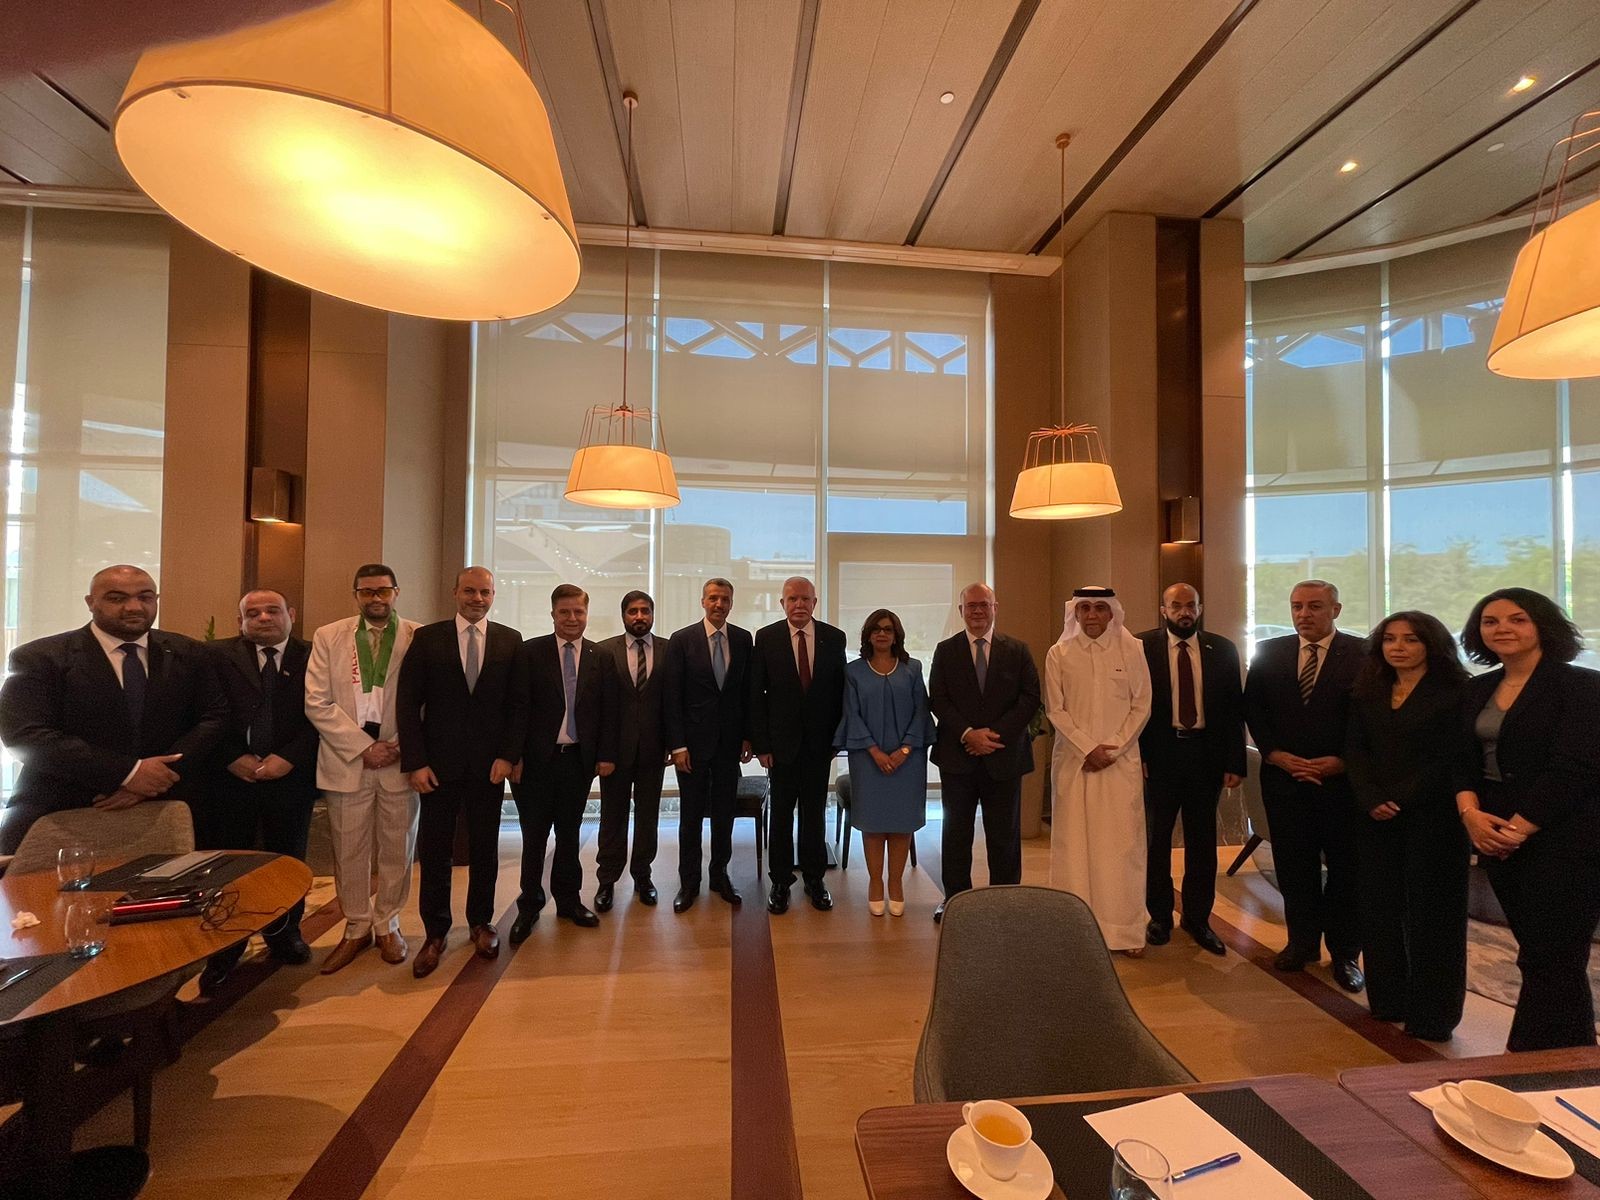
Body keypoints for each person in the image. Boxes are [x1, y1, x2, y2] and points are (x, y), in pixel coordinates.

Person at [1454, 588, 1600, 1051]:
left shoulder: (1582, 686)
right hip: (1493, 831)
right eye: (1491, 621)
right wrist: (1471, 816)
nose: (1503, 629)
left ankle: (1537, 1057)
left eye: (1517, 619)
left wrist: (1519, 828)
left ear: (1542, 626)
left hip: (1566, 836)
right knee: (1537, 953)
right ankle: (1560, 1059)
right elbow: (1460, 762)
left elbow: (1577, 767)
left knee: (1557, 955)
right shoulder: (1477, 688)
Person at [0, 565, 228, 853]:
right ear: (90, 602)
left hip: (169, 804)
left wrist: (156, 778)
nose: (134, 607)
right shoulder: (40, 658)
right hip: (64, 806)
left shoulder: (191, 652)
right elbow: (25, 735)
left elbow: (214, 718)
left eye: (145, 597)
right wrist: (128, 773)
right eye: (117, 598)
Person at [1345, 610, 1470, 1042]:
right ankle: (1388, 1000)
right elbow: (1355, 749)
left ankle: (1433, 1016)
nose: (1398, 647)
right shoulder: (1368, 688)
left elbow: (1453, 757)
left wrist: (1401, 796)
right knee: (1379, 909)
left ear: (1431, 645)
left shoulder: (1457, 692)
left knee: (1434, 918)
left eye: (1411, 639)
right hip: (1375, 816)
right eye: (1390, 639)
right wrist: (1371, 796)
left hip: (1434, 818)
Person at [397, 567, 526, 978]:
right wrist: (415, 761)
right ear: (455, 592)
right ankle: (435, 933)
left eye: (485, 592)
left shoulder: (510, 640)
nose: (477, 599)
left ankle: (480, 922)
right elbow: (407, 704)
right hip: (437, 767)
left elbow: (517, 707)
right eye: (470, 591)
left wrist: (508, 756)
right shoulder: (427, 638)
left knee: (486, 848)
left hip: (489, 768)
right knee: (435, 851)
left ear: (493, 595)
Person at [1243, 579, 1366, 992]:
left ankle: (1345, 954)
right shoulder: (1270, 652)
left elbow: (1370, 719)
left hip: (1342, 785)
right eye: (1297, 606)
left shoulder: (1364, 654)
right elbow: (1254, 710)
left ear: (1336, 610)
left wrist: (1343, 761)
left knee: (1347, 871)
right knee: (1295, 868)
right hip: (1286, 782)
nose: (1303, 614)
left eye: (1314, 606)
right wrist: (1275, 754)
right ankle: (1302, 944)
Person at [199, 588, 320, 992]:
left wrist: (289, 757)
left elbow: (323, 715)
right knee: (230, 867)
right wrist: (232, 757)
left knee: (288, 861)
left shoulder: (314, 655)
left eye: (273, 610)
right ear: (240, 621)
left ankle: (284, 936)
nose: (264, 618)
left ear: (291, 614)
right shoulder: (214, 656)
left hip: (291, 778)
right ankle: (224, 949)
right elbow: (203, 713)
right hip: (231, 779)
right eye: (253, 613)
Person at [305, 564, 419, 974]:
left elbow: (426, 701)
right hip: (347, 760)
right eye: (367, 591)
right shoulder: (329, 636)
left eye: (383, 591)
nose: (375, 598)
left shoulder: (417, 636)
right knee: (348, 849)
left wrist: (398, 745)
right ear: (356, 594)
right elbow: (316, 701)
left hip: (398, 760)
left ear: (396, 592)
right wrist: (363, 747)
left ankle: (388, 923)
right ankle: (355, 926)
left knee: (397, 848)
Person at [1137, 583, 1245, 956]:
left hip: (1206, 757)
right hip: (1159, 757)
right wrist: (1139, 755)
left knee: (1202, 842)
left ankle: (1198, 919)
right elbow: (1133, 704)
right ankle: (1159, 917)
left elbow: (1234, 709)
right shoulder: (1141, 647)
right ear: (1163, 610)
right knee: (1156, 840)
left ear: (1199, 608)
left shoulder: (1223, 649)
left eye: (1190, 605)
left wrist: (1235, 761)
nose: (1184, 612)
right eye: (1176, 606)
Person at [1046, 586, 1152, 954]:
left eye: (1099, 608)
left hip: (1119, 766)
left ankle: (1125, 932)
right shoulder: (1059, 653)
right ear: (1075, 613)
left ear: (1111, 613)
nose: (1092, 615)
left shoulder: (1132, 649)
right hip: (1074, 765)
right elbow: (1055, 709)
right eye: (1085, 608)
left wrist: (1113, 748)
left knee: (1121, 848)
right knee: (1073, 848)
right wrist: (1087, 748)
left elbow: (1142, 706)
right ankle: (1073, 933)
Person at [927, 582, 1041, 923]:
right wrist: (968, 733)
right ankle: (955, 900)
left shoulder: (1017, 650)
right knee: (956, 834)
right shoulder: (946, 650)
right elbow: (938, 699)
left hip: (1004, 756)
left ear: (995, 608)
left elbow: (1030, 698)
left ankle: (1004, 902)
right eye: (971, 606)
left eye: (984, 605)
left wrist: (992, 736)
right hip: (957, 757)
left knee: (1005, 835)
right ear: (961, 610)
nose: (977, 611)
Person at [509, 584, 616, 940]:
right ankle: (529, 905)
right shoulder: (529, 652)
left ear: (587, 614)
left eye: (578, 612)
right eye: (564, 612)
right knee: (534, 836)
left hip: (577, 762)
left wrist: (605, 755)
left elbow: (607, 711)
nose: (572, 618)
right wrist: (513, 756)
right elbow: (517, 708)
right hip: (535, 763)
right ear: (552, 614)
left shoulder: (601, 656)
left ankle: (569, 902)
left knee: (569, 834)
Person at [750, 576, 847, 915]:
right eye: (792, 599)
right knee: (780, 816)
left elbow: (840, 693)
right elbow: (756, 695)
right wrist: (762, 745)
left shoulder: (834, 638)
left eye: (805, 599)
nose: (799, 604)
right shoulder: (766, 638)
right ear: (783, 603)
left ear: (814, 603)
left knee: (814, 814)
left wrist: (837, 740)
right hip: (780, 747)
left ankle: (814, 879)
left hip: (820, 746)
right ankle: (780, 882)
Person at [661, 578, 753, 912]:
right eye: (713, 598)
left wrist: (748, 736)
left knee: (724, 815)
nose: (719, 604)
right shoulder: (682, 640)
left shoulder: (743, 639)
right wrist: (677, 745)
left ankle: (719, 875)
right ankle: (689, 882)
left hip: (729, 744)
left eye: (725, 599)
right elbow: (672, 696)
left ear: (731, 603)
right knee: (690, 817)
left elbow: (746, 693)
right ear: (703, 601)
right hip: (692, 747)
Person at [834, 609, 933, 916]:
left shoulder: (912, 669)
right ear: (867, 635)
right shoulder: (853, 672)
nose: (881, 633)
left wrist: (905, 749)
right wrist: (875, 751)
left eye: (888, 629)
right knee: (874, 824)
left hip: (909, 760)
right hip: (867, 759)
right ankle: (876, 882)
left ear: (896, 635)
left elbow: (921, 711)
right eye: (876, 629)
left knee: (902, 824)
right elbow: (851, 714)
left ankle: (896, 883)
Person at [594, 590, 667, 910]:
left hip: (654, 750)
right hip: (614, 752)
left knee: (648, 817)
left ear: (652, 614)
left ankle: (643, 876)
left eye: (645, 611)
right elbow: (598, 707)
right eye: (633, 611)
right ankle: (607, 880)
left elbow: (672, 701)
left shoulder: (668, 650)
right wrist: (602, 752)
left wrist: (672, 743)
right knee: (612, 817)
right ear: (623, 615)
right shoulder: (604, 651)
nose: (639, 616)